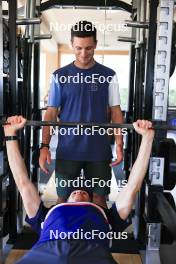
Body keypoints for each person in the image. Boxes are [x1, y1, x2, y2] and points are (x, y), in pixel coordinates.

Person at [4, 116, 154, 264]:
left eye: (83, 192)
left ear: (93, 202)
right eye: (75, 191)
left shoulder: (108, 217)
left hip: (92, 254)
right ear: (65, 200)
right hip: (47, 253)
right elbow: (22, 183)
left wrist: (148, 137)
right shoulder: (48, 215)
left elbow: (133, 186)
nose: (79, 192)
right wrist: (9, 134)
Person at [39, 20, 124, 208]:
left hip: (99, 150)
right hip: (68, 150)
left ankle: (97, 236)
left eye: (88, 48)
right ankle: (64, 237)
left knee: (100, 199)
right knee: (62, 199)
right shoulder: (60, 75)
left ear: (95, 44)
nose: (83, 54)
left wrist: (119, 144)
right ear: (71, 44)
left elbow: (116, 111)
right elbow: (51, 113)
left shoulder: (108, 75)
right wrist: (44, 145)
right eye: (78, 48)